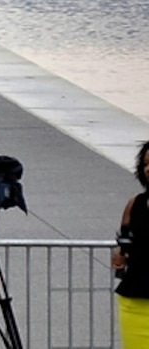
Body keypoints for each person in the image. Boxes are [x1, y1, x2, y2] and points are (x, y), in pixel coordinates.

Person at [111, 141, 149, 349]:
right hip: (135, 299)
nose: (148, 168)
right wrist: (120, 254)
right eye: (145, 164)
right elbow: (126, 237)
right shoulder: (136, 203)